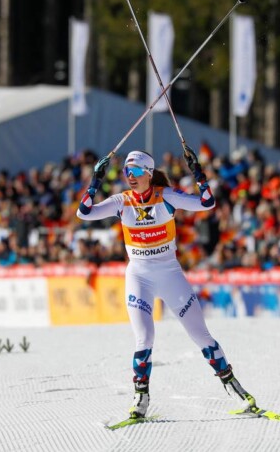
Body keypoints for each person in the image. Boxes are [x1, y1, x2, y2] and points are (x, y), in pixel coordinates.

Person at [76, 147, 256, 419]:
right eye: (127, 171)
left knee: (201, 336)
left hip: (170, 274)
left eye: (136, 171)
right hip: (139, 276)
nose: (130, 176)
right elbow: (84, 213)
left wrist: (198, 173)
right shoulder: (122, 201)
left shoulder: (166, 197)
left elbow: (207, 203)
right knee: (144, 338)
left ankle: (236, 389)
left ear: (149, 174)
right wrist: (95, 181)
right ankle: (140, 399)